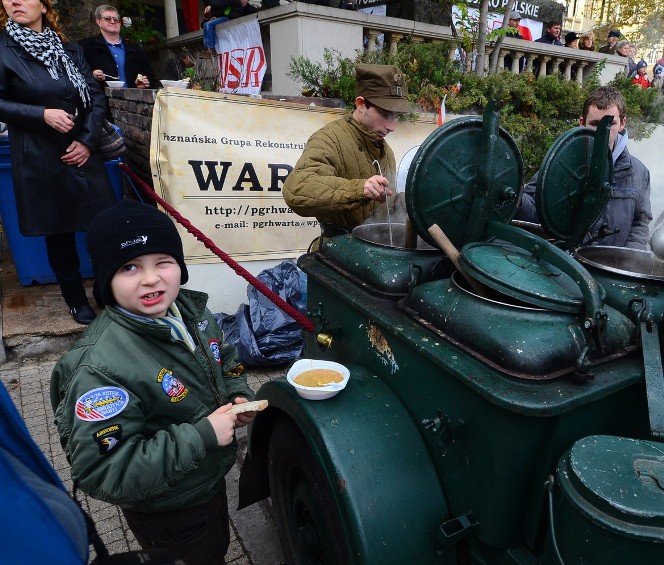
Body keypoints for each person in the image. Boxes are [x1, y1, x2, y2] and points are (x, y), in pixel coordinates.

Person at [51, 199, 258, 565]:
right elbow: (106, 471)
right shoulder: (97, 369)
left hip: (205, 481)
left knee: (214, 547)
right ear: (105, 280)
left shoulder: (194, 313)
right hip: (166, 508)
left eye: (163, 262)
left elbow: (226, 360)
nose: (150, 278)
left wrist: (238, 394)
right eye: (129, 267)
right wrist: (202, 435)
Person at [0, 0, 118, 325]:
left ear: (44, 3)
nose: (14, 1)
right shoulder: (3, 49)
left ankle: (106, 290)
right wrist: (41, 115)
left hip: (82, 151)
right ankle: (75, 299)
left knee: (103, 225)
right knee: (59, 231)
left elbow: (94, 97)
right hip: (40, 155)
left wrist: (87, 141)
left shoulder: (68, 47)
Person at [516, 85, 652, 250]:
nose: (602, 132)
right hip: (565, 266)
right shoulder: (563, 162)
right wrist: (516, 195)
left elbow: (640, 224)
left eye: (610, 124)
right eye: (595, 124)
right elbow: (533, 210)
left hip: (609, 269)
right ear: (582, 123)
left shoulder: (638, 172)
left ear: (623, 123)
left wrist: (628, 260)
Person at [284, 64, 412, 234]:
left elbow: (385, 209)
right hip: (338, 250)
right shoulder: (330, 139)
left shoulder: (385, 151)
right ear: (361, 104)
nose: (392, 126)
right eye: (385, 114)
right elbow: (297, 189)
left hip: (375, 249)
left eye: (396, 117)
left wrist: (411, 202)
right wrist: (359, 190)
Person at [79, 5, 155, 92]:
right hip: (102, 102)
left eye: (116, 19)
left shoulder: (136, 49)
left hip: (133, 101)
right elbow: (78, 75)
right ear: (98, 22)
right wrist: (92, 75)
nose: (112, 21)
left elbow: (150, 78)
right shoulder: (87, 47)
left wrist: (143, 84)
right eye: (107, 18)